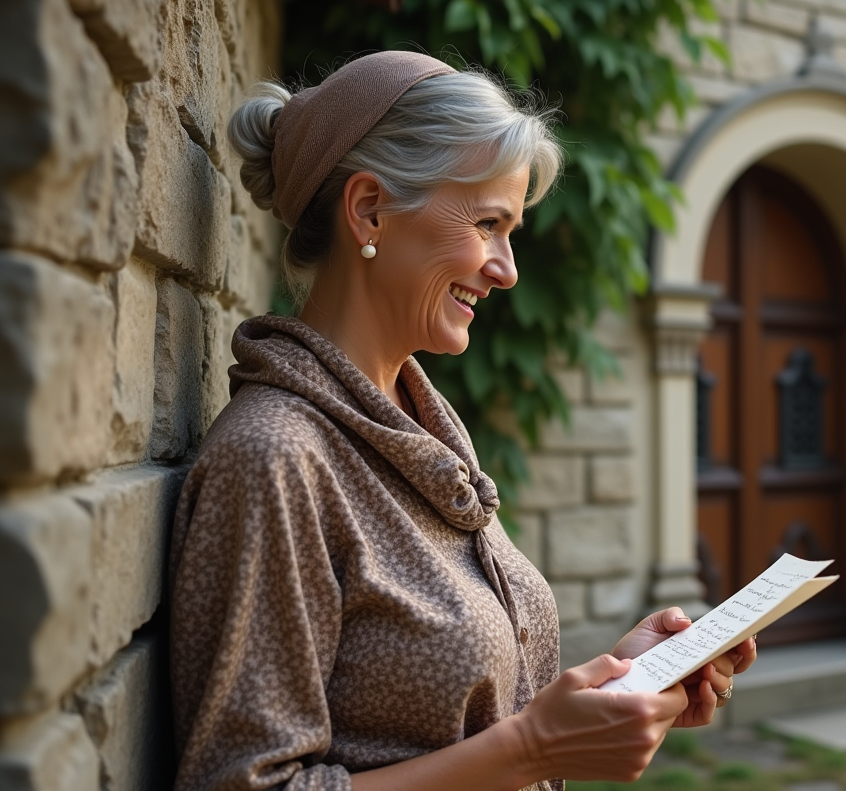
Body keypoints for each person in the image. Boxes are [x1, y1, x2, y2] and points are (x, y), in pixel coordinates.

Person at [167, 51, 756, 791]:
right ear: (370, 210)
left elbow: (450, 730)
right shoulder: (274, 460)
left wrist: (619, 690)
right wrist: (536, 749)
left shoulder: (422, 430)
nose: (506, 268)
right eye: (488, 224)